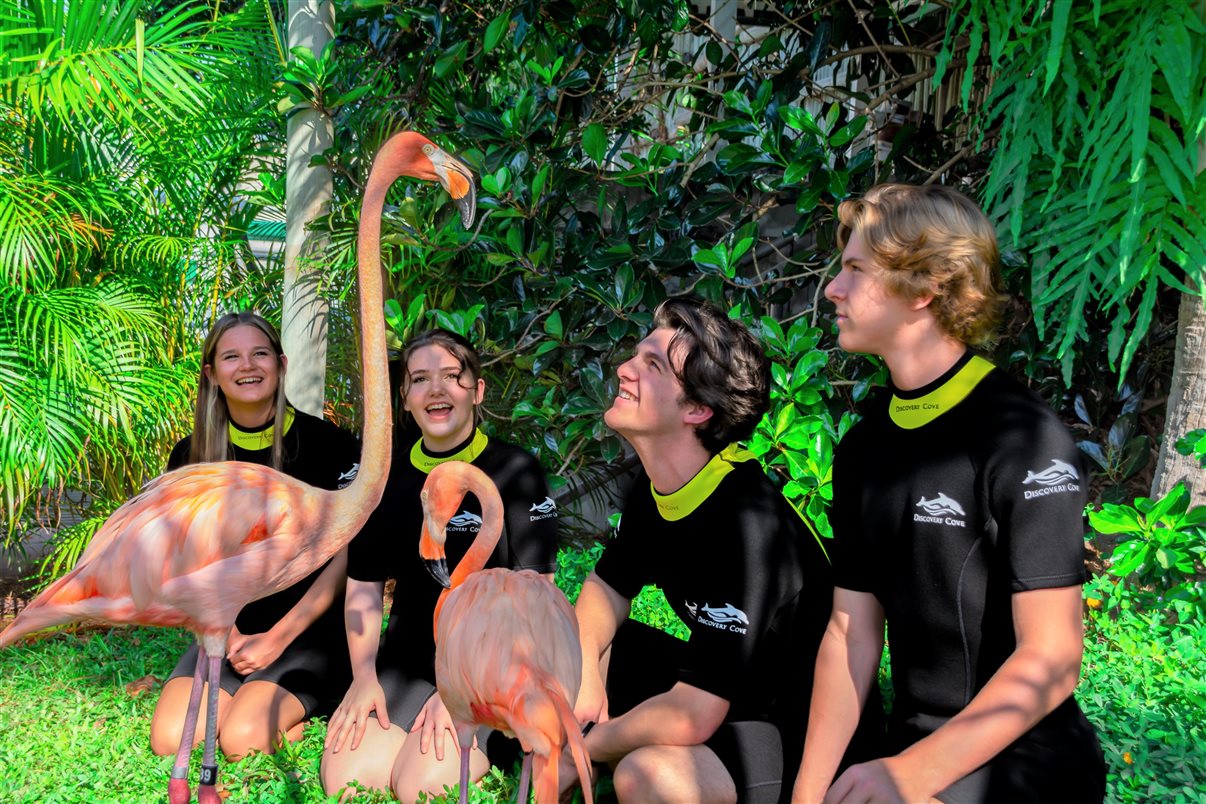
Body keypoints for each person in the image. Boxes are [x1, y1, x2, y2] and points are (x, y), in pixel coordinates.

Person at [792, 183, 1106, 803]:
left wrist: (909, 776)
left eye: (856, 270)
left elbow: (1053, 656)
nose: (832, 289)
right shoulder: (863, 448)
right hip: (909, 748)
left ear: (925, 287)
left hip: (1026, 763)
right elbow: (849, 636)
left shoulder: (1022, 438)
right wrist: (806, 794)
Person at [565, 297, 852, 804]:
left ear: (697, 410)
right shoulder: (659, 484)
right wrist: (585, 672)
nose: (624, 369)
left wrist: (585, 745)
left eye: (652, 366)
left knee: (646, 775)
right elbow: (606, 590)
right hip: (724, 688)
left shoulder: (749, 526)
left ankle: (580, 759)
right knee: (568, 639)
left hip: (790, 727)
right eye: (636, 356)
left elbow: (692, 715)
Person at [320, 328, 561, 802]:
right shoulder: (386, 478)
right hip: (409, 661)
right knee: (350, 780)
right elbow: (364, 586)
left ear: (478, 391)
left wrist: (462, 691)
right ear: (405, 397)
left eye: (452, 376)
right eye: (420, 379)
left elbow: (538, 600)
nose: (436, 389)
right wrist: (363, 678)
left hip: (492, 669)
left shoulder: (516, 472)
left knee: (419, 787)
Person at [149, 311, 359, 760]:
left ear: (281, 365)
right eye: (231, 357)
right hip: (226, 634)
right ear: (212, 374)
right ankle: (248, 698)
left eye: (260, 353)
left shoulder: (330, 445)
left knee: (240, 741)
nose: (247, 366)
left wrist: (278, 636)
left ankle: (302, 707)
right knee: (170, 739)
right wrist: (226, 633)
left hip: (308, 632)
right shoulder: (190, 457)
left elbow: (349, 556)